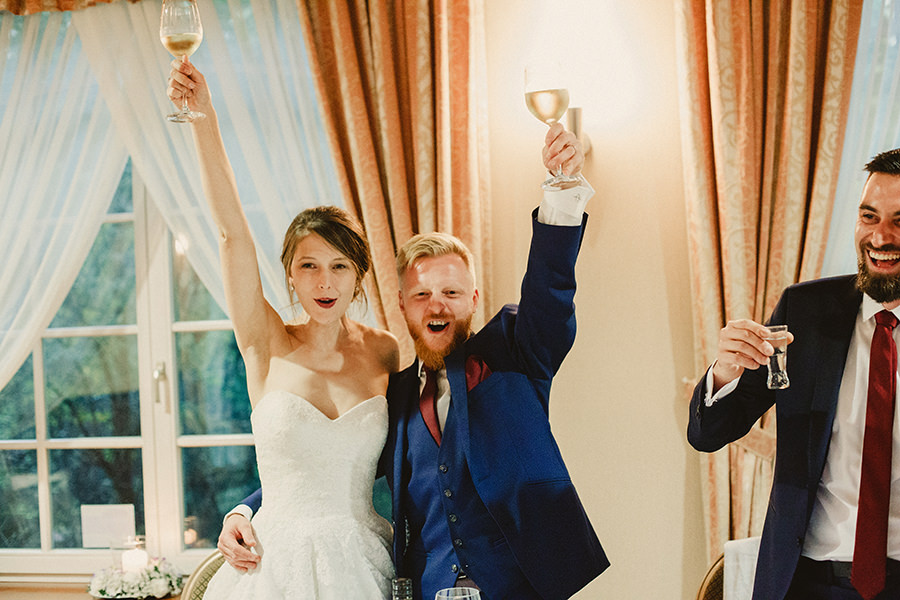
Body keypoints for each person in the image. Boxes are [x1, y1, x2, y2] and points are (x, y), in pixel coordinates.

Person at [219, 118, 609, 599]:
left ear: (473, 299)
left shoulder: (516, 354)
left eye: (451, 292)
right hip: (426, 589)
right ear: (401, 304)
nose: (436, 305)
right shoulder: (396, 391)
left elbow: (549, 293)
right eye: (421, 294)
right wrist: (246, 508)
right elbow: (326, 460)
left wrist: (561, 194)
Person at [166, 59, 399, 599]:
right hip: (272, 567)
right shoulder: (264, 342)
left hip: (362, 564)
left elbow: (415, 463)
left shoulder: (385, 352)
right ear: (290, 274)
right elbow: (231, 234)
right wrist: (203, 119)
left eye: (339, 266)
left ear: (359, 275)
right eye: (308, 265)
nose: (324, 281)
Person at [688, 148, 900, 600]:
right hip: (808, 581)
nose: (881, 236)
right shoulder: (806, 311)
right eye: (869, 216)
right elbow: (710, 433)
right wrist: (725, 370)